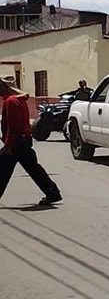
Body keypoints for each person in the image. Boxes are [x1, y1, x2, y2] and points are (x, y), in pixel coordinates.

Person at [0, 76, 62, 205]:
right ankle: (52, 192)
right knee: (34, 169)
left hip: (17, 142)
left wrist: (8, 145)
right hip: (23, 141)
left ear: (5, 87)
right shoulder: (18, 100)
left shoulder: (11, 101)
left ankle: (52, 192)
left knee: (3, 170)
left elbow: (14, 126)